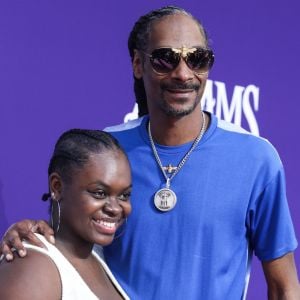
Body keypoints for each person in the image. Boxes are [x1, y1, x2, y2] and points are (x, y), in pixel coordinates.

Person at [1, 5, 299, 300]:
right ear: (137, 64)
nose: (183, 73)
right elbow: (66, 241)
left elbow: (284, 287)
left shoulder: (256, 158)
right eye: (165, 59)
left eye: (197, 59)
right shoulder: (108, 153)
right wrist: (31, 234)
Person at [0, 129, 131, 299]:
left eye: (124, 195)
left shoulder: (98, 257)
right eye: (99, 193)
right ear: (57, 187)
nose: (115, 208)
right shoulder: (32, 267)